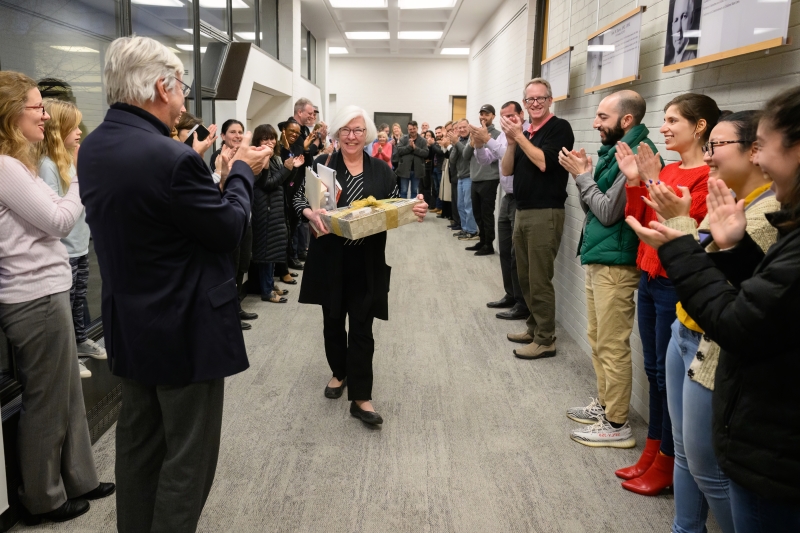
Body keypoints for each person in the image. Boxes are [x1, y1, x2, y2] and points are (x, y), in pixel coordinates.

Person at [78, 36, 269, 532]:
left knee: (139, 448)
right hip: (185, 328)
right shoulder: (171, 158)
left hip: (131, 325)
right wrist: (242, 173)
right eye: (181, 86)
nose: (184, 99)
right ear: (161, 87)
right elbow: (227, 229)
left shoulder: (95, 145)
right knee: (188, 456)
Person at [626, 85, 800, 532]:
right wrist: (725, 246)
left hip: (744, 392)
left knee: (711, 472)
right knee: (688, 453)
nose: (759, 158)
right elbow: (755, 281)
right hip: (697, 340)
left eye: (762, 146)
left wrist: (683, 239)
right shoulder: (748, 205)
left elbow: (738, 318)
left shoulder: (768, 212)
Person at [0, 70, 115, 524]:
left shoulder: (18, 163)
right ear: (11, 113)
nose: (45, 115)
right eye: (36, 107)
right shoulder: (6, 167)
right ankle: (43, 499)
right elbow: (60, 220)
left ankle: (79, 478)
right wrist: (80, 179)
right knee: (47, 402)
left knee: (66, 395)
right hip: (33, 299)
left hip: (47, 293)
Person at [293, 105, 428, 426]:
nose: (352, 137)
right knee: (333, 322)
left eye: (358, 131)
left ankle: (362, 397)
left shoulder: (382, 170)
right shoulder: (321, 165)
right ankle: (340, 372)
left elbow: (395, 204)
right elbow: (300, 198)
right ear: (337, 133)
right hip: (329, 258)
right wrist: (310, 214)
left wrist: (415, 208)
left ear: (366, 134)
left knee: (363, 328)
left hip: (367, 260)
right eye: (346, 130)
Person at [614, 93, 720, 496]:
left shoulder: (705, 178)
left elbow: (686, 232)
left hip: (674, 282)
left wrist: (652, 187)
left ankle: (667, 461)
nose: (663, 127)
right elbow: (639, 219)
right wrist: (635, 180)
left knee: (665, 376)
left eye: (673, 120)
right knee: (654, 372)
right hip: (649, 276)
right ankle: (652, 453)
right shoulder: (670, 170)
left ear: (699, 127)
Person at [557, 90, 655, 448]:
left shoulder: (636, 156)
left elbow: (610, 212)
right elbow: (594, 208)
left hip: (617, 263)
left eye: (602, 117)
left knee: (611, 343)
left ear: (626, 121)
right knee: (598, 338)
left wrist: (582, 176)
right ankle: (606, 405)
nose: (595, 123)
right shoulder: (614, 153)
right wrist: (582, 176)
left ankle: (616, 424)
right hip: (601, 255)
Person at [500, 78, 574, 360]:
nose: (534, 104)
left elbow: (545, 163)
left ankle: (546, 339)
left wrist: (519, 137)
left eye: (540, 99)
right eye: (529, 100)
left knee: (540, 278)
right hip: (523, 210)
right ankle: (534, 327)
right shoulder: (525, 133)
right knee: (525, 276)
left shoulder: (559, 128)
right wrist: (511, 143)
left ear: (550, 100)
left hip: (546, 212)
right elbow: (507, 171)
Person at [36, 99, 106, 379]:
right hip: (63, 249)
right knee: (64, 306)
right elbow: (56, 210)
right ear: (56, 129)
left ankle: (79, 342)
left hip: (79, 246)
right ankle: (68, 355)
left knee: (78, 300)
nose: (79, 132)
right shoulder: (47, 165)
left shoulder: (70, 160)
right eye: (72, 127)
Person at [476, 101, 529, 320]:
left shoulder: (524, 134)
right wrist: (479, 144)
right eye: (504, 117)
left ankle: (521, 301)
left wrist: (486, 139)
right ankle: (510, 294)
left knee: (518, 254)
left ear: (521, 115)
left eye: (511, 115)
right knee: (505, 250)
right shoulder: (500, 136)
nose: (507, 120)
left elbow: (510, 155)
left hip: (521, 199)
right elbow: (486, 160)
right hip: (507, 198)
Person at [250, 124, 304, 304]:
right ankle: (266, 290)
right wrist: (287, 169)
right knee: (266, 252)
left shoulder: (273, 157)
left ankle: (269, 285)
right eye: (265, 138)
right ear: (257, 140)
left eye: (272, 138)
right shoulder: (258, 158)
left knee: (272, 250)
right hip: (264, 210)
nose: (270, 142)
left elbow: (282, 182)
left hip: (274, 209)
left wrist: (292, 168)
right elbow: (268, 183)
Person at [466, 104, 502, 255]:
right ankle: (481, 241)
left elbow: (495, 156)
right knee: (477, 213)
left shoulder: (497, 134)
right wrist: (473, 141)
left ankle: (489, 245)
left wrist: (484, 140)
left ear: (493, 116)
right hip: (475, 178)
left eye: (487, 114)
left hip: (489, 179)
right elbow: (466, 156)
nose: (483, 117)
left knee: (487, 214)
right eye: (481, 114)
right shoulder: (474, 134)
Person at [278, 118, 307, 274]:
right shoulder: (278, 148)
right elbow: (285, 166)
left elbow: (301, 166)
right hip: (281, 194)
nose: (295, 134)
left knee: (294, 227)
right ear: (284, 131)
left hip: (295, 190)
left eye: (297, 132)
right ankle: (284, 267)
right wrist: (285, 146)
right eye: (292, 131)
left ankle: (291, 258)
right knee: (285, 231)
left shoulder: (297, 147)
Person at [450, 119, 478, 240]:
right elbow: (452, 159)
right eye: (459, 128)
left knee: (468, 205)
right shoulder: (459, 141)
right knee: (460, 205)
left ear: (469, 127)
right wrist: (456, 143)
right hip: (460, 177)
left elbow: (467, 155)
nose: (461, 130)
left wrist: (457, 142)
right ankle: (464, 228)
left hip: (469, 177)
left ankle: (472, 231)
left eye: (464, 127)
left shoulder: (472, 140)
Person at [393, 120, 428, 199]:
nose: (412, 131)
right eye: (410, 129)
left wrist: (415, 148)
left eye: (414, 128)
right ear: (407, 129)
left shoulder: (423, 140)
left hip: (417, 170)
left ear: (417, 128)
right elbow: (399, 150)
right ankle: (403, 209)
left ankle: (413, 209)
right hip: (404, 169)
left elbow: (426, 153)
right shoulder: (403, 139)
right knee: (404, 191)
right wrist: (409, 147)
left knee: (414, 191)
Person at [665, 0, 699, 66]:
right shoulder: (670, 62)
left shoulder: (692, 59)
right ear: (672, 26)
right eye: (676, 20)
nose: (678, 29)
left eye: (684, 17)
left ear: (691, 19)